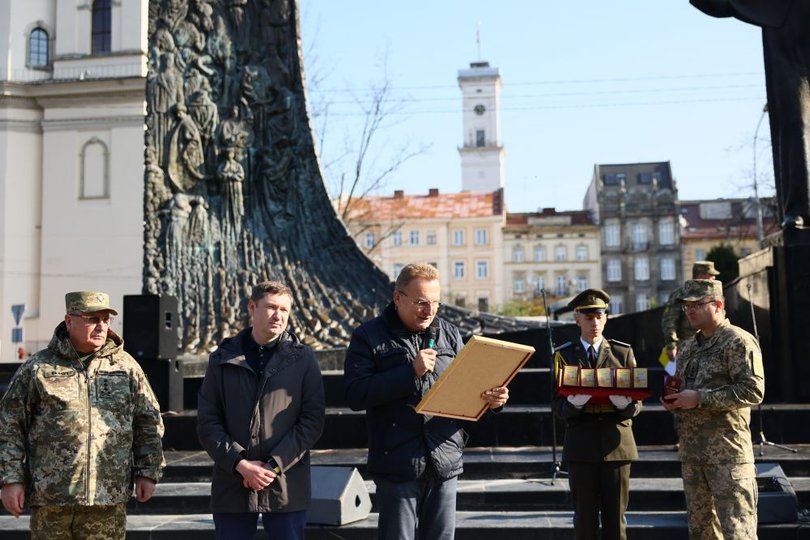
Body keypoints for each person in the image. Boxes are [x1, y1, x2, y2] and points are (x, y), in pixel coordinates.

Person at [344, 263, 509, 540]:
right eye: (421, 302)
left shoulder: (449, 332)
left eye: (435, 303)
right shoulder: (368, 336)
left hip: (444, 459)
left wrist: (492, 401)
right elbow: (355, 394)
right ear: (397, 298)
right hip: (398, 463)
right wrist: (410, 372)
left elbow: (464, 391)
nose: (429, 310)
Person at [0, 291, 165, 539]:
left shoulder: (125, 367)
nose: (101, 326)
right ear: (69, 321)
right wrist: (10, 479)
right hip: (52, 499)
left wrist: (148, 471)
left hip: (106, 500)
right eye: (92, 319)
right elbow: (9, 425)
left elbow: (147, 421)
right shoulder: (38, 368)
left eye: (105, 319)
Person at [197, 280, 325, 540]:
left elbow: (312, 421)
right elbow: (208, 421)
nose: (278, 316)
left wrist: (272, 467)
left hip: (285, 486)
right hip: (232, 484)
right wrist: (240, 464)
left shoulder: (302, 358)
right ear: (252, 307)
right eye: (270, 307)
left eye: (284, 310)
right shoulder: (222, 359)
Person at [661, 279, 764, 539]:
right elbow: (684, 389)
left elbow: (753, 391)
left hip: (727, 457)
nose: (690, 311)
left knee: (737, 533)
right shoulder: (687, 347)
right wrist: (674, 401)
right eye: (686, 306)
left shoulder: (737, 341)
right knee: (702, 533)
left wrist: (700, 398)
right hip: (693, 457)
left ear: (718, 304)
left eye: (697, 304)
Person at [552, 288, 641, 540]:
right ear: (576, 319)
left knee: (616, 521)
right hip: (581, 447)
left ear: (606, 318)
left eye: (599, 316)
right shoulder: (564, 355)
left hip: (617, 446)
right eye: (588, 317)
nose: (595, 323)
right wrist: (573, 405)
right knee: (584, 520)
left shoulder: (622, 353)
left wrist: (626, 404)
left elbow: (637, 404)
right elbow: (555, 404)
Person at [660, 260, 721, 366]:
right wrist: (671, 345)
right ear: (701, 276)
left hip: (707, 345)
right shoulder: (680, 294)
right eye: (711, 275)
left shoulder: (714, 295)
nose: (714, 278)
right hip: (685, 346)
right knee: (677, 379)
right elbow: (669, 320)